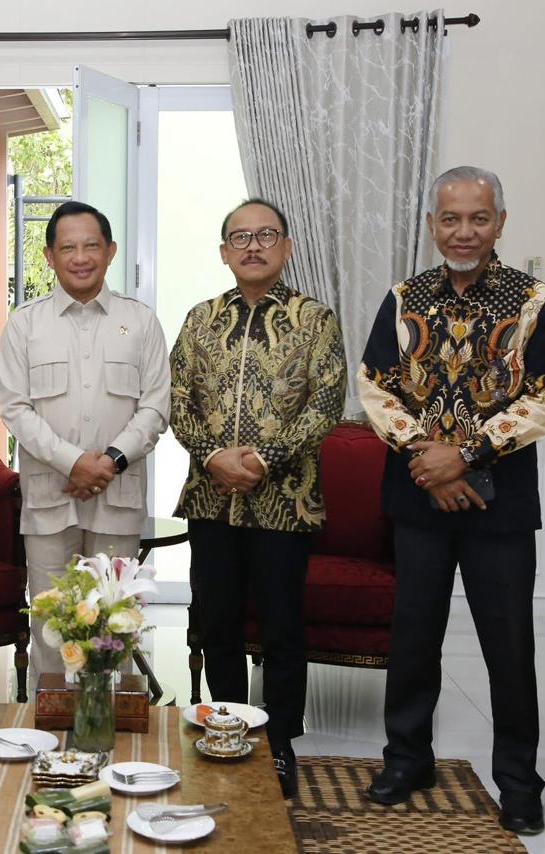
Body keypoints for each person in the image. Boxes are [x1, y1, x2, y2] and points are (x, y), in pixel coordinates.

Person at [358, 166, 545, 835]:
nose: (464, 232)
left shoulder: (533, 300)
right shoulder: (404, 298)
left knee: (508, 645)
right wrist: (432, 461)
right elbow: (376, 387)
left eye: (478, 218)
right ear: (432, 225)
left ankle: (519, 784)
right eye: (451, 219)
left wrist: (466, 454)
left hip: (500, 506)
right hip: (418, 494)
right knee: (414, 638)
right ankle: (406, 760)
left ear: (500, 222)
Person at [169, 198, 346, 797]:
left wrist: (264, 459)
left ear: (286, 247)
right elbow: (177, 398)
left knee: (281, 631)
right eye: (240, 237)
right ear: (224, 252)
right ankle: (224, 731)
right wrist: (212, 455)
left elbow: (326, 403)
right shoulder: (200, 319)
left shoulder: (315, 319)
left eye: (265, 235)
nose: (252, 246)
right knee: (216, 624)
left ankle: (280, 745)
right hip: (210, 499)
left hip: (285, 502)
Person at [0, 201, 170, 689]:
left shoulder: (140, 321)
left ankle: (106, 725)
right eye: (68, 247)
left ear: (110, 251)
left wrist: (108, 462)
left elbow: (155, 407)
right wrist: (73, 463)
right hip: (50, 498)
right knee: (51, 624)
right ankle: (51, 727)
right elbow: (15, 408)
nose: (80, 257)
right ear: (49, 256)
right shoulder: (26, 323)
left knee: (115, 623)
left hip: (117, 496)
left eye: (91, 245)